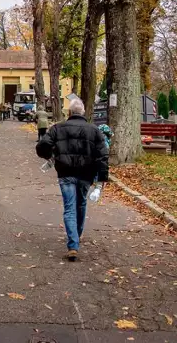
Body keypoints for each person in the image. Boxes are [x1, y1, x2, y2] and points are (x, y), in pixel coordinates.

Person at [36, 99, 109, 262]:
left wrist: (51, 157)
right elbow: (103, 155)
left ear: (69, 112)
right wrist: (102, 179)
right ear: (82, 112)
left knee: (69, 207)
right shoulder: (94, 130)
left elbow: (42, 146)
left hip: (66, 172)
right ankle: (76, 235)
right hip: (86, 174)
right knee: (81, 203)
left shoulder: (57, 128)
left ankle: (73, 244)